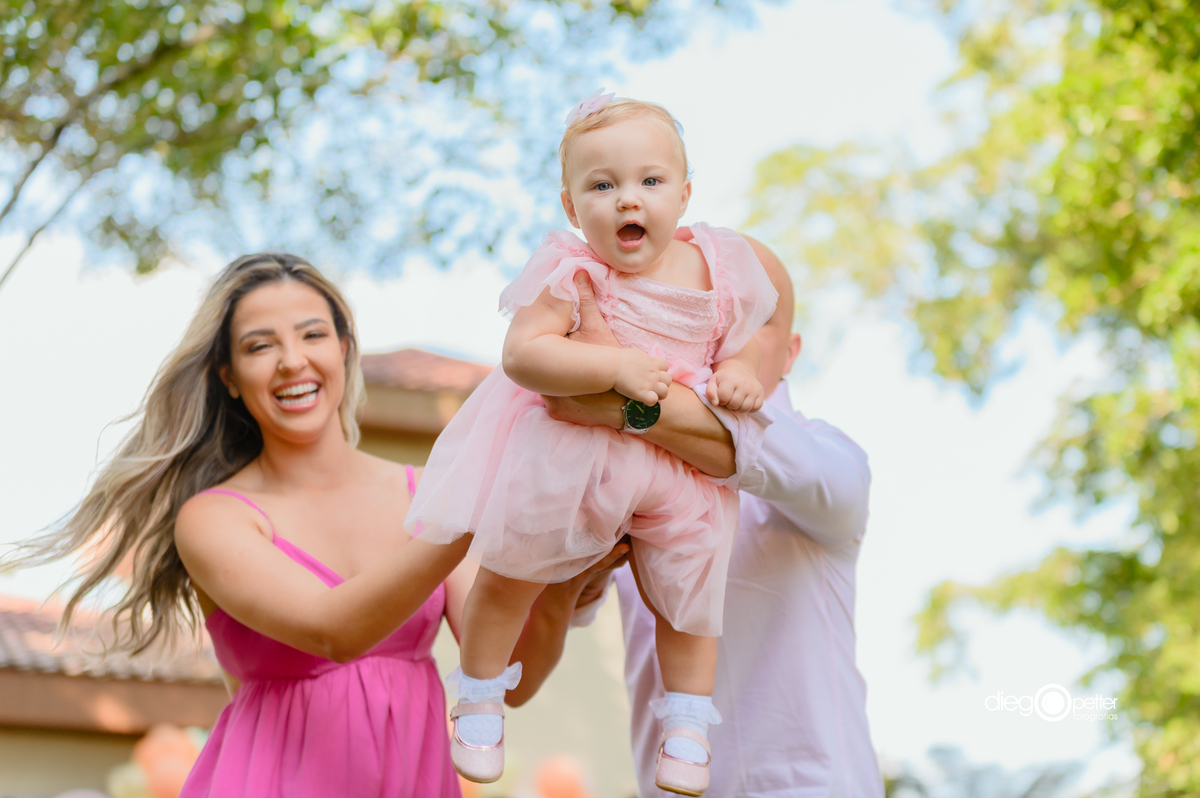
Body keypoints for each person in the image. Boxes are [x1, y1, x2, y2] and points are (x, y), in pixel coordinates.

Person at [2, 252, 627, 798]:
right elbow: (334, 631)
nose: (291, 361)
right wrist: (480, 504)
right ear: (228, 377)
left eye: (312, 335)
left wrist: (564, 589)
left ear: (344, 348)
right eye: (259, 346)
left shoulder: (427, 496)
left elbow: (508, 681)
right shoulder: (213, 518)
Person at [405, 93, 777, 794]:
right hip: (576, 458)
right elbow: (523, 355)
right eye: (602, 186)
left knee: (691, 597)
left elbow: (741, 338)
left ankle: (688, 725)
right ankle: (480, 699)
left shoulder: (716, 264)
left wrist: (739, 371)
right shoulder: (573, 272)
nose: (627, 199)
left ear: (684, 194)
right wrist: (610, 367)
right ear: (572, 208)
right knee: (510, 574)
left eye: (650, 180)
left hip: (677, 472)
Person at [545, 239, 884, 797]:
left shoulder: (834, 460)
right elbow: (538, 643)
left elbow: (768, 455)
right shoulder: (615, 474)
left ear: (792, 353)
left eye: (755, 314)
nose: (728, 328)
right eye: (710, 301)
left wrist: (616, 405)